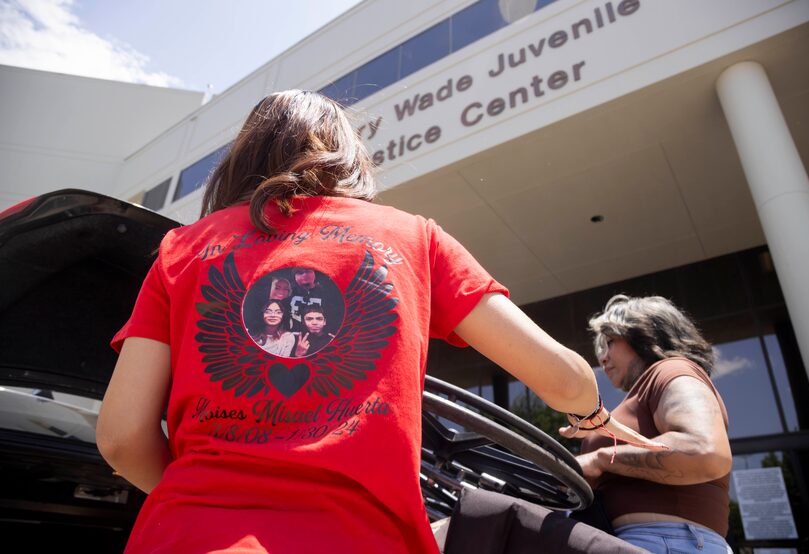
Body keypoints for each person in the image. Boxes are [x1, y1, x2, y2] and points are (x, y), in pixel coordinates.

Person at [96, 90, 663, 554]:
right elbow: (562, 379)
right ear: (350, 156)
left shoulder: (183, 250)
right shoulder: (412, 237)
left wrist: (204, 502)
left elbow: (121, 439)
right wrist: (591, 412)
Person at [564, 294, 733, 553]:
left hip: (667, 541)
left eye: (610, 342)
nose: (603, 358)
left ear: (646, 335)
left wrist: (599, 460)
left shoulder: (671, 371)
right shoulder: (642, 393)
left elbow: (703, 449)